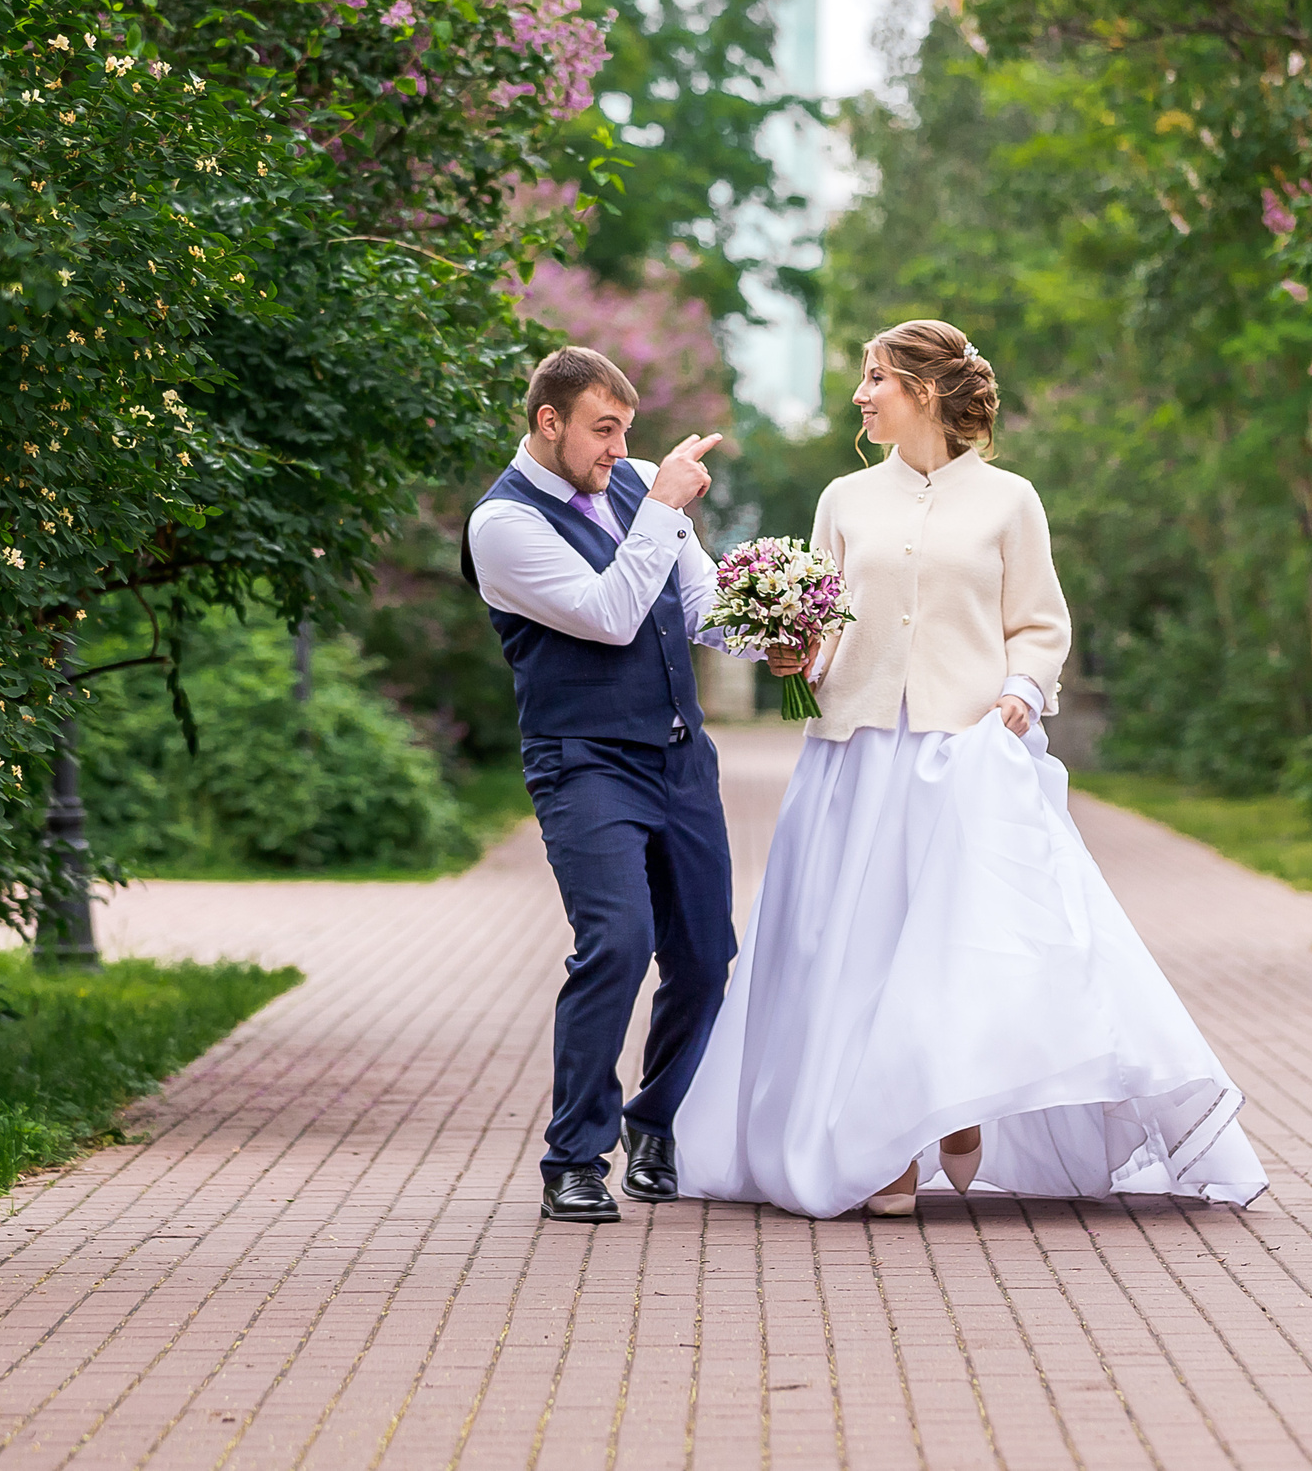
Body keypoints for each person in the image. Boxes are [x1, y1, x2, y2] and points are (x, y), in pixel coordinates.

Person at [673, 319, 1268, 1219]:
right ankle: (879, 1149)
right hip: (855, 757)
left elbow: (1039, 621)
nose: (861, 395)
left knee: (959, 942)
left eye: (875, 378)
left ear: (923, 389)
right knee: (855, 949)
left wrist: (1023, 690)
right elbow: (827, 620)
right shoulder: (844, 499)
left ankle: (951, 1101)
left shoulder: (1009, 500)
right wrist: (801, 657)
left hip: (966, 753)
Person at [463, 345, 739, 1224]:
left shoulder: (638, 482)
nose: (619, 450)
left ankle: (654, 1122)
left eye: (626, 430)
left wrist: (771, 632)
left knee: (703, 955)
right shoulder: (501, 526)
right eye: (602, 431)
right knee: (617, 942)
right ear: (550, 422)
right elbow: (611, 615)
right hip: (585, 762)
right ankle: (573, 1156)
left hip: (681, 757)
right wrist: (660, 508)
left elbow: (695, 606)